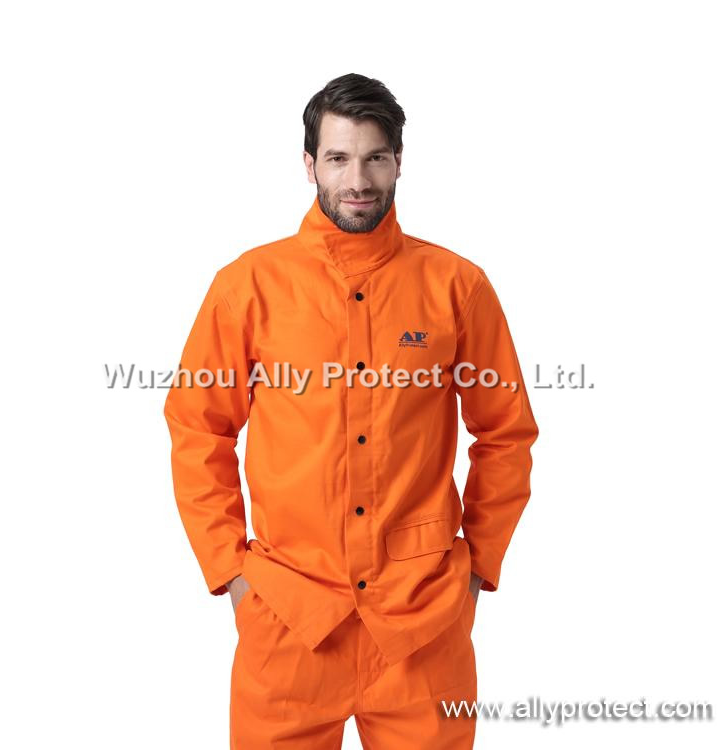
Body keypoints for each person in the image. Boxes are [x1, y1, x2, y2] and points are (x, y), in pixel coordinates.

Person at [163, 72, 539, 749]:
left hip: (423, 625)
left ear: (399, 161)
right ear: (309, 164)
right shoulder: (248, 287)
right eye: (338, 158)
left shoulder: (458, 287)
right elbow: (199, 427)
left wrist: (479, 568)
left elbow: (505, 432)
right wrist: (231, 571)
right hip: (288, 620)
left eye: (374, 158)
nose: (357, 180)